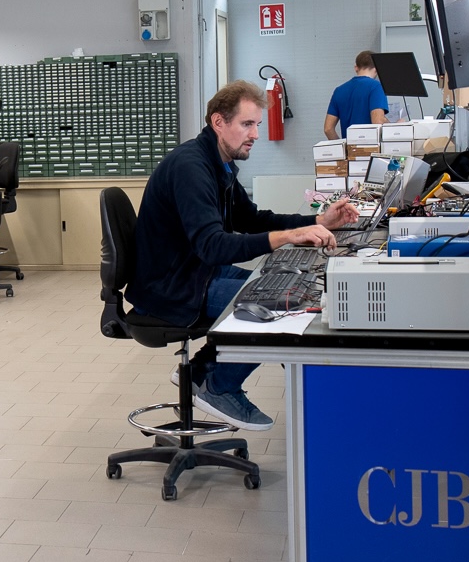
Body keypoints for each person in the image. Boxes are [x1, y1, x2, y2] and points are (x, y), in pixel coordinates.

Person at [126, 81, 359, 430]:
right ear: (219, 122)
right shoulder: (191, 168)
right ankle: (219, 387)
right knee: (282, 308)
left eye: (257, 125)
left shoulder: (217, 162)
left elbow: (251, 219)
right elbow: (213, 246)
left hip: (196, 273)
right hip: (171, 287)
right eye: (247, 124)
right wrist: (288, 237)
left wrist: (316, 222)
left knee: (285, 288)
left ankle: (202, 370)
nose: (256, 135)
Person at [323, 50, 389, 140]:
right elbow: (378, 121)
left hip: (350, 147)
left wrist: (343, 146)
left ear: (356, 68)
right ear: (377, 68)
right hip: (370, 147)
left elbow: (328, 129)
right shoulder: (376, 87)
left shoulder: (339, 90)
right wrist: (396, 126)